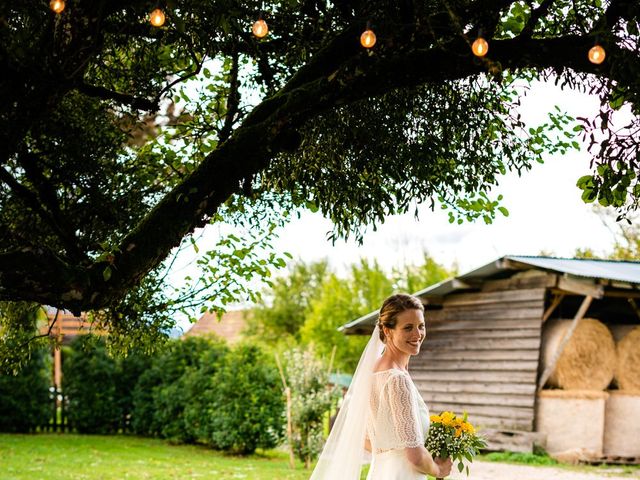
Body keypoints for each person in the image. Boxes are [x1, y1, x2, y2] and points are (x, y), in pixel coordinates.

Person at [310, 293, 452, 480]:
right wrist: (438, 470)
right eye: (408, 328)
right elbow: (415, 456)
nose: (417, 335)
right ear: (387, 330)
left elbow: (366, 439)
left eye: (421, 326)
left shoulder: (371, 373)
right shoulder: (397, 379)